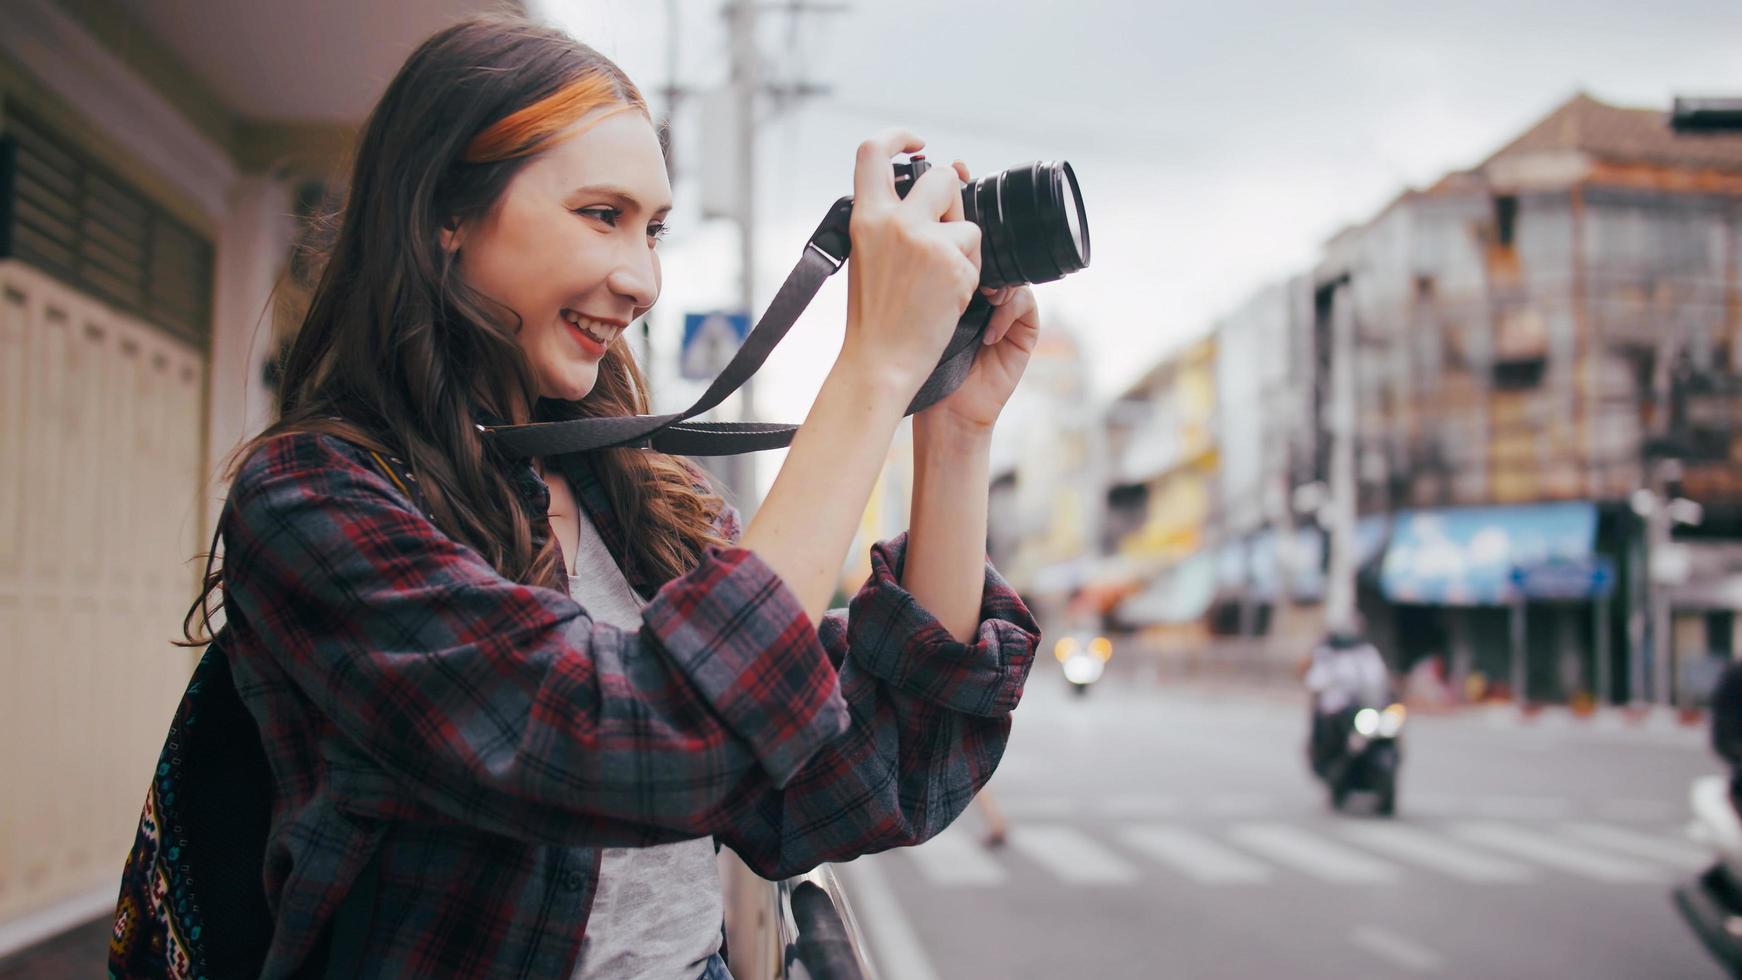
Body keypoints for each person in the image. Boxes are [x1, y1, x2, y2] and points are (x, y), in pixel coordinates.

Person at [183, 15, 1042, 979]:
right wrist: (872, 369)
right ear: (444, 215)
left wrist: (953, 432)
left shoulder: (653, 504)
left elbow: (876, 773)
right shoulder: (317, 499)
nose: (642, 280)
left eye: (656, 229)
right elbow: (630, 740)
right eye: (603, 215)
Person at [1304, 628, 1392, 774]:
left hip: (1365, 708)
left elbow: (1379, 680)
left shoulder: (1367, 653)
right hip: (1337, 711)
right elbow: (1316, 681)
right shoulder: (1327, 654)